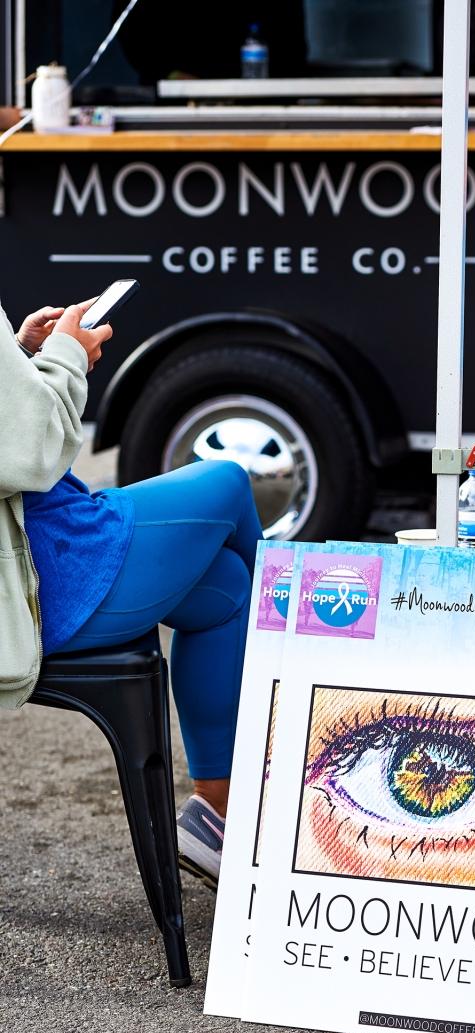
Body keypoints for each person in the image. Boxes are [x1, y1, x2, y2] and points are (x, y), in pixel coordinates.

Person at [0, 297, 263, 887]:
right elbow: (25, 453)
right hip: (33, 577)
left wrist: (18, 356)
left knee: (226, 588)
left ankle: (216, 813)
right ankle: (299, 682)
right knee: (227, 480)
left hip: (37, 544)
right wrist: (65, 358)